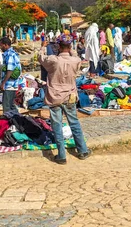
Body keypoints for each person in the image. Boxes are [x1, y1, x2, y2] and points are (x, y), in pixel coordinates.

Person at [38, 34, 90, 165]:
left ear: (58, 46)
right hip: (70, 96)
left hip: (55, 97)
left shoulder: (53, 60)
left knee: (57, 125)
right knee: (74, 123)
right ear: (70, 46)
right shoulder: (76, 60)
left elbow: (40, 58)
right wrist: (70, 49)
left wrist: (42, 48)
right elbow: (75, 57)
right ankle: (82, 150)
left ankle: (61, 155)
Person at [0, 37, 21, 113]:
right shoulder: (12, 54)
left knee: (6, 107)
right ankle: (17, 121)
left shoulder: (10, 55)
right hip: (12, 84)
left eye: (1, 45)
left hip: (9, 85)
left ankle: (7, 123)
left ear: (5, 45)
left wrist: (3, 83)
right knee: (11, 106)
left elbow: (10, 70)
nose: (0, 47)